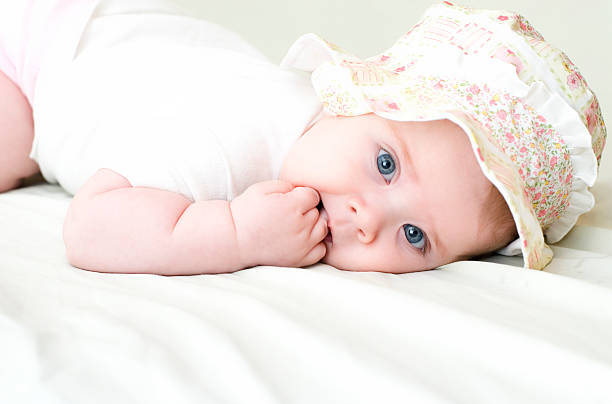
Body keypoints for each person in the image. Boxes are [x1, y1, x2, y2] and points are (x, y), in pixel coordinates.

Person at [0, 0, 606, 274]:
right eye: (387, 165)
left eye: (415, 236)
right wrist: (234, 235)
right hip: (35, 56)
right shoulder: (225, 143)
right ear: (353, 99)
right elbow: (90, 228)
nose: (367, 220)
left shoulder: (319, 135)